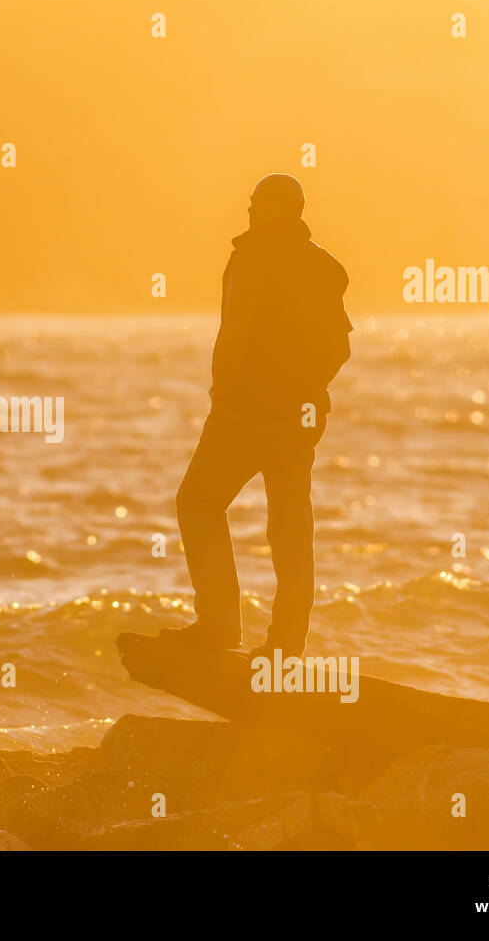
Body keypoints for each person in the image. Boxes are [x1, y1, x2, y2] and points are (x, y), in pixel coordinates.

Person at [166, 173, 351, 657]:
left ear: (287, 209)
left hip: (271, 418)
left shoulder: (316, 269)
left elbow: (336, 347)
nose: (249, 210)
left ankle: (266, 642)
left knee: (271, 524)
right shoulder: (247, 259)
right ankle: (239, 634)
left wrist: (290, 393)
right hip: (246, 414)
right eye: (251, 202)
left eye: (260, 204)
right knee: (226, 512)